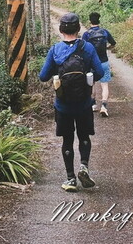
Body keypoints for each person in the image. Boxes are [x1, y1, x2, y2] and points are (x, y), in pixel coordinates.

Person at [39, 12, 105, 192]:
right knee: (84, 137)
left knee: (67, 140)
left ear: (61, 30)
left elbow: (43, 76)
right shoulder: (88, 48)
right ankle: (84, 166)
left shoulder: (55, 50)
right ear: (78, 29)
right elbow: (99, 73)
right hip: (84, 103)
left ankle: (70, 179)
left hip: (63, 105)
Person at [82, 12, 116, 117]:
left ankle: (93, 105)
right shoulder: (105, 32)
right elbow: (113, 43)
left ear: (90, 21)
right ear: (99, 20)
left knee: (91, 84)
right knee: (104, 85)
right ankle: (104, 106)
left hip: (91, 63)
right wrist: (107, 49)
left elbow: (83, 49)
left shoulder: (86, 34)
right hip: (104, 62)